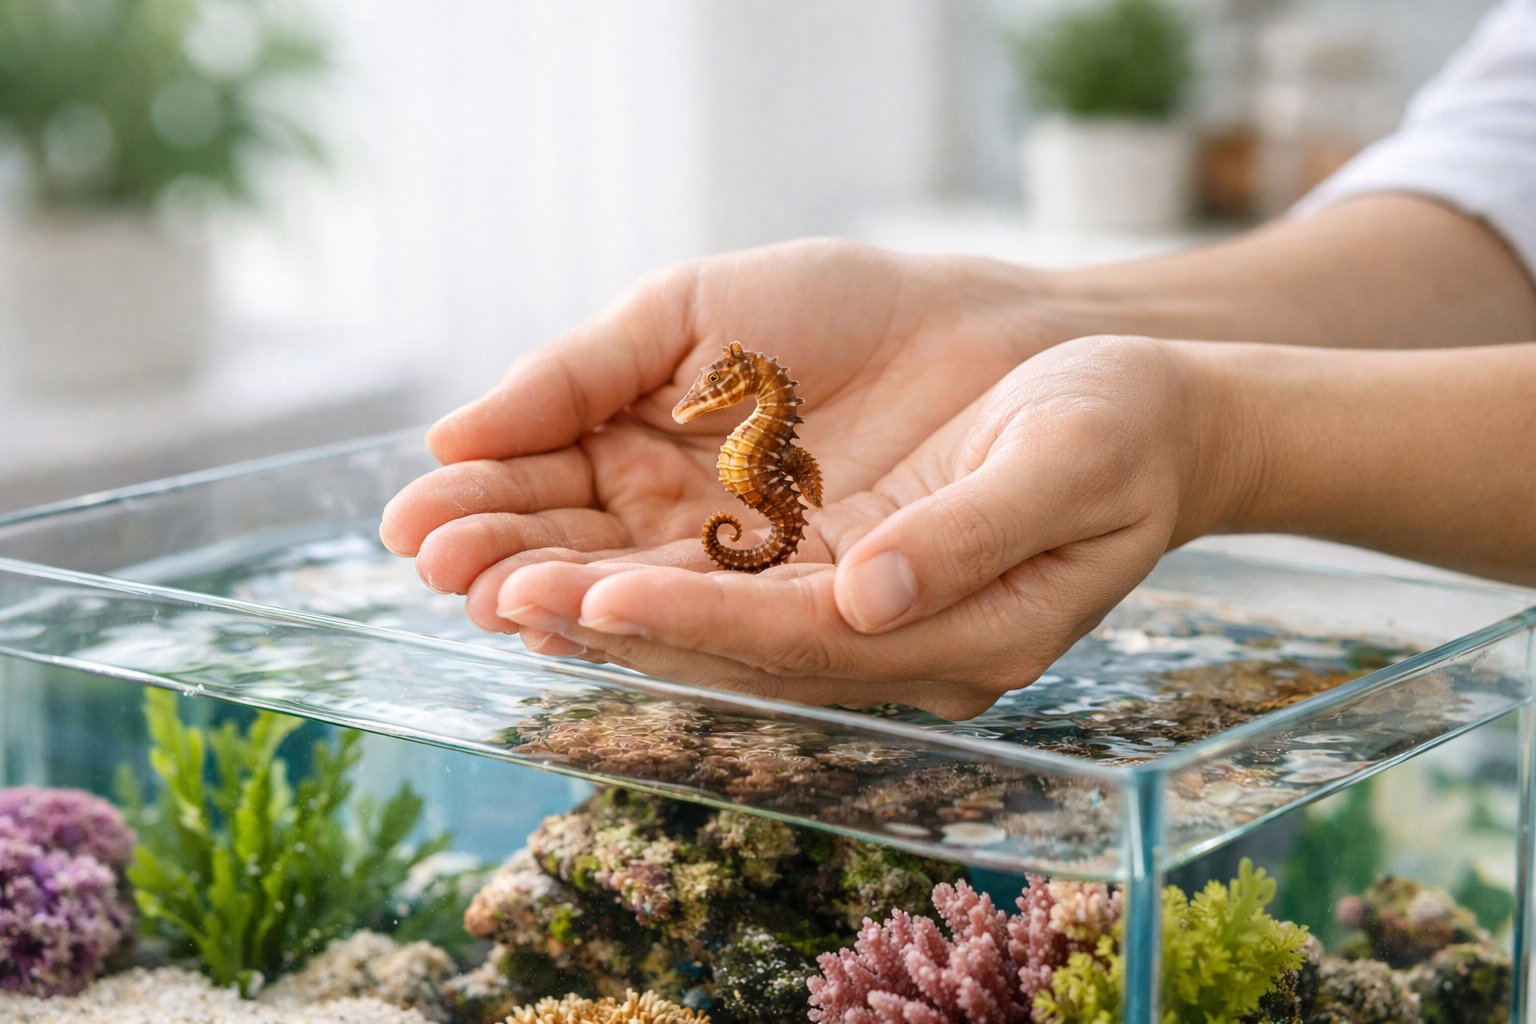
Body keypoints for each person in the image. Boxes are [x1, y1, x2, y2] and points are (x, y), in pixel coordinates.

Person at [380, 0, 1536, 720]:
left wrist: (1222, 434)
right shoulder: (764, 426)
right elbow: (1505, 167)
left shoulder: (764, 436)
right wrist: (1021, 316)